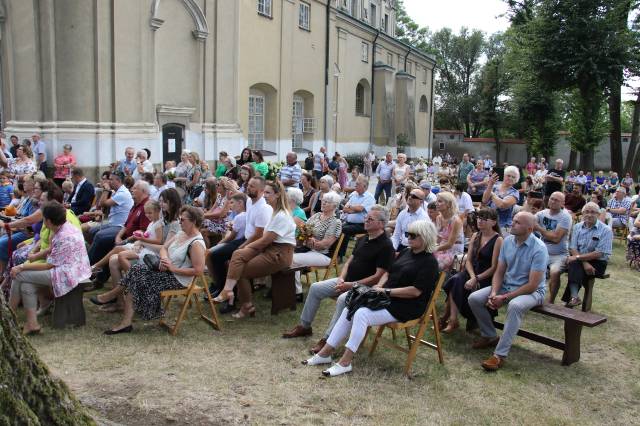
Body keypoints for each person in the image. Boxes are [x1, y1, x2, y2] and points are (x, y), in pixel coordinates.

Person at [302, 219, 439, 377]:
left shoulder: (429, 263)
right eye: (408, 234)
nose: (409, 237)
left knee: (361, 314)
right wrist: (379, 287)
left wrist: (386, 291)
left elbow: (415, 291)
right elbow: (388, 272)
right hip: (386, 297)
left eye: (413, 235)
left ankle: (345, 362)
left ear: (425, 237)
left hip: (405, 305)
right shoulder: (406, 252)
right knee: (352, 305)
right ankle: (325, 353)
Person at [282, 205, 394, 352]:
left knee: (342, 300)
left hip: (363, 289)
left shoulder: (386, 246)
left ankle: (328, 339)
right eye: (366, 217)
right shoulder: (364, 239)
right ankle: (304, 326)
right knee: (316, 287)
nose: (365, 220)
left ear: (381, 223)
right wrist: (341, 278)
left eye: (370, 219)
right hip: (346, 282)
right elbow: (349, 261)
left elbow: (378, 276)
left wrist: (350, 285)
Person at [101, 206, 206, 334]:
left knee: (136, 274)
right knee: (137, 271)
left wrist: (172, 268)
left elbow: (199, 271)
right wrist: (164, 259)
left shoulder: (196, 243)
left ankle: (115, 299)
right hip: (166, 271)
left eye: (182, 220)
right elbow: (163, 248)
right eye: (179, 219)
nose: (180, 222)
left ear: (193, 221)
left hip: (177, 279)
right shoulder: (181, 233)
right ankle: (124, 320)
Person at [468, 212, 548, 371]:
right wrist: (494, 292)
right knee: (475, 298)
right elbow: (499, 271)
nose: (512, 223)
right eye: (514, 220)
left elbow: (532, 285)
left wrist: (503, 297)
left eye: (518, 222)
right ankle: (490, 335)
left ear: (530, 229)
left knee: (515, 306)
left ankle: (499, 355)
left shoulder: (539, 249)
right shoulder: (508, 241)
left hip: (532, 292)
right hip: (507, 285)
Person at [213, 180, 295, 319]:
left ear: (277, 195)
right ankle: (227, 290)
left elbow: (264, 240)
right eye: (265, 192)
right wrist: (244, 247)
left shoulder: (281, 215)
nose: (265, 196)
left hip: (279, 254)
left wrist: (247, 246)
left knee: (241, 270)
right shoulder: (274, 211)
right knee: (237, 255)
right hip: (269, 248)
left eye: (268, 193)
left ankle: (246, 306)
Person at [9, 202, 90, 334]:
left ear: (48, 220)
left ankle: (7, 319)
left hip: (68, 274)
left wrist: (22, 267)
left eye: (43, 218)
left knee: (18, 274)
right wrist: (34, 257)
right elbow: (51, 250)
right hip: (74, 268)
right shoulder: (64, 228)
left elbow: (49, 265)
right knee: (26, 285)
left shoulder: (63, 236)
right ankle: (32, 324)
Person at [206, 176, 272, 310]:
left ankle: (231, 297)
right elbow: (238, 194)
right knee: (214, 255)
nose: (249, 187)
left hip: (255, 244)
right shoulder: (250, 202)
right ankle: (221, 288)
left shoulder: (263, 208)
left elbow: (259, 234)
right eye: (249, 185)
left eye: (252, 186)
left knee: (229, 260)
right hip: (245, 240)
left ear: (261, 190)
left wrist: (242, 247)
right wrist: (230, 186)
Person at [441, 208, 503, 333]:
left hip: (486, 276)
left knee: (457, 281)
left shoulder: (498, 240)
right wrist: (472, 276)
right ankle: (453, 319)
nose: (480, 221)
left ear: (493, 222)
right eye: (479, 218)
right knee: (456, 280)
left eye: (484, 219)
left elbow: (494, 267)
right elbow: (468, 260)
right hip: (471, 271)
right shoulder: (475, 235)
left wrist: (476, 278)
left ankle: (448, 318)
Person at [85, 173, 139, 290]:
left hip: (119, 227)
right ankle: (96, 264)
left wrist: (105, 190)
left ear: (118, 181)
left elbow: (102, 203)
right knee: (91, 231)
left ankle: (88, 268)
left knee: (99, 236)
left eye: (111, 180)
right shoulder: (118, 192)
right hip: (113, 224)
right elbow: (102, 207)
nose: (109, 182)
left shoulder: (123, 194)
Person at [290, 191, 342, 296]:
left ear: (334, 206)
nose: (323, 203)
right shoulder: (317, 215)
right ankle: (283, 287)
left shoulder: (335, 222)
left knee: (291, 259)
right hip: (308, 249)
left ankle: (297, 293)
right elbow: (303, 229)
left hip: (322, 254)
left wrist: (308, 239)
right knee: (284, 254)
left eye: (327, 202)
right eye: (323, 200)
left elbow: (324, 244)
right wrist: (308, 238)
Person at [562, 202, 613, 308]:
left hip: (598, 262)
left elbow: (599, 253)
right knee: (575, 264)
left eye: (593, 212)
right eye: (587, 212)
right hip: (581, 259)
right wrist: (584, 262)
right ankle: (574, 298)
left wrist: (578, 258)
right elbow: (573, 247)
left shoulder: (606, 230)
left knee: (574, 263)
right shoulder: (577, 227)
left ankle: (573, 298)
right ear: (582, 213)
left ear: (598, 215)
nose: (589, 215)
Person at [534, 192, 572, 304]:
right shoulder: (541, 213)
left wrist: (539, 228)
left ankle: (551, 302)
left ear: (563, 203)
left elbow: (556, 238)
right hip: (541, 252)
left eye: (557, 200)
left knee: (554, 272)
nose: (553, 201)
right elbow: (529, 221)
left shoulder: (565, 217)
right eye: (552, 198)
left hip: (559, 254)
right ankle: (529, 296)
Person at [337, 175, 376, 259]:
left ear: (364, 186)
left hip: (363, 225)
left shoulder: (369, 197)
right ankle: (334, 252)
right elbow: (345, 209)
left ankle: (339, 254)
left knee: (343, 229)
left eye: (357, 184)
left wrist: (352, 208)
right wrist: (354, 208)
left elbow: (360, 209)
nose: (355, 185)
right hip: (349, 222)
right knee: (336, 227)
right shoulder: (354, 194)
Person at [483, 165, 520, 233]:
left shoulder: (515, 192)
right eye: (508, 175)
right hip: (488, 223)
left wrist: (492, 194)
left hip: (503, 227)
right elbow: (484, 200)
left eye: (513, 177)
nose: (510, 178)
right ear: (504, 175)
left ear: (516, 180)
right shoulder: (494, 186)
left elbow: (502, 205)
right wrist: (490, 184)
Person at [433, 191, 464, 271]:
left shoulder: (456, 221)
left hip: (454, 250)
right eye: (436, 201)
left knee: (434, 264)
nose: (436, 203)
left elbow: (450, 244)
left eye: (439, 201)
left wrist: (433, 249)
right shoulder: (439, 218)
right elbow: (438, 238)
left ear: (449, 204)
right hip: (441, 247)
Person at [390, 188, 428, 253]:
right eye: (410, 195)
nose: (410, 197)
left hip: (415, 249)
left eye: (414, 196)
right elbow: (396, 235)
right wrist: (392, 249)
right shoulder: (402, 213)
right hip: (402, 245)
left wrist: (402, 254)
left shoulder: (424, 218)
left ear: (421, 201)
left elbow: (421, 242)